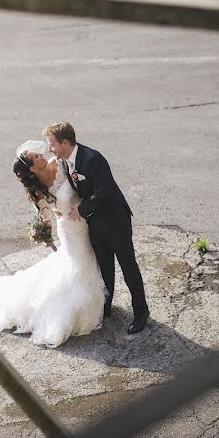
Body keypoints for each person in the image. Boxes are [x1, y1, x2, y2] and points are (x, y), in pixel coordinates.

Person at [0, 141, 106, 348]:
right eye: (37, 156)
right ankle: (78, 312)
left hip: (86, 218)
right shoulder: (39, 193)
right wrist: (44, 234)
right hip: (70, 230)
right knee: (79, 267)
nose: (43, 154)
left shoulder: (58, 164)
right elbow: (44, 217)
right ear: (33, 168)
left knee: (87, 262)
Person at [43, 121, 150, 335]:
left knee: (128, 266)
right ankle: (106, 307)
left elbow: (104, 190)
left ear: (65, 142)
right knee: (104, 267)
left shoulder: (93, 159)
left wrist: (81, 210)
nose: (49, 149)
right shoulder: (64, 162)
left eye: (52, 144)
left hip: (115, 220)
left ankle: (141, 312)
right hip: (94, 223)